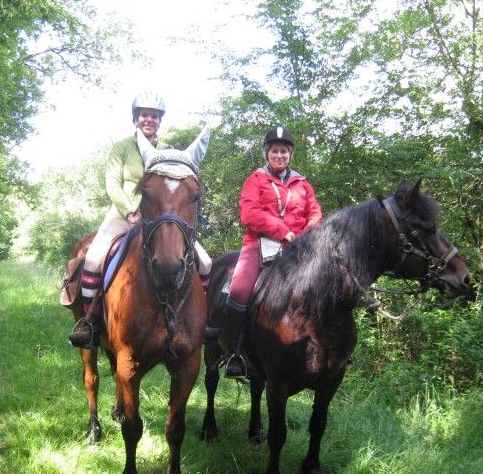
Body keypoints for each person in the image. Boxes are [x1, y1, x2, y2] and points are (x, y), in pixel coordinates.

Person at [68, 92, 212, 348]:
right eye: (144, 114)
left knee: (206, 262)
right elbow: (112, 183)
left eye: (154, 116)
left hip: (159, 218)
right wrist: (129, 211)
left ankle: (201, 320)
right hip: (122, 215)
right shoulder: (122, 147)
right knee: (93, 259)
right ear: (136, 118)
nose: (149, 119)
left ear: (160, 120)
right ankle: (90, 322)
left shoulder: (166, 151)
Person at [221, 125, 323, 379]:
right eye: (275, 151)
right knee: (239, 288)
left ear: (290, 155)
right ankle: (235, 352)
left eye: (284, 151)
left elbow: (315, 213)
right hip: (258, 244)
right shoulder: (255, 180)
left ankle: (327, 347)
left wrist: (305, 236)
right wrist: (282, 231)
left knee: (327, 284)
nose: (279, 155)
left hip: (299, 248)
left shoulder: (302, 184)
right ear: (267, 153)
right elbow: (249, 213)